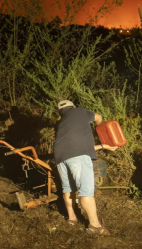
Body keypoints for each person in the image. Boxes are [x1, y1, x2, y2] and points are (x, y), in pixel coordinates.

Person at [54, 100, 118, 235]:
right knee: (86, 191)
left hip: (59, 157)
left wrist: (102, 146)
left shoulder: (61, 123)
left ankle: (72, 219)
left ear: (61, 112)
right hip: (78, 156)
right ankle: (95, 226)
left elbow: (80, 147)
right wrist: (101, 133)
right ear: (73, 107)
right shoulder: (80, 111)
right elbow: (99, 118)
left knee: (68, 188)